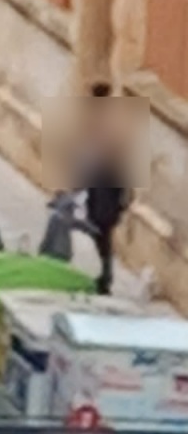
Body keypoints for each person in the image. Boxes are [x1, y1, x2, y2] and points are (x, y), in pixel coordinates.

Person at [80, 83, 131, 295]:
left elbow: (114, 154)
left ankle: (106, 275)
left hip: (106, 182)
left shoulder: (107, 122)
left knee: (102, 231)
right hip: (101, 181)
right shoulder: (97, 120)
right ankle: (105, 273)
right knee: (100, 231)